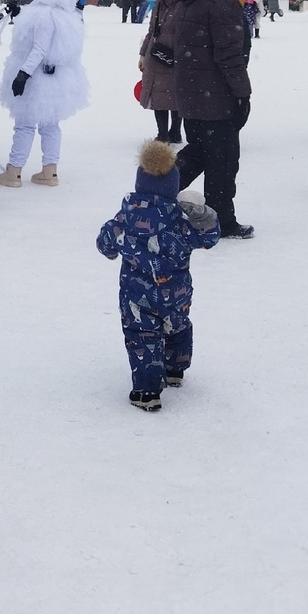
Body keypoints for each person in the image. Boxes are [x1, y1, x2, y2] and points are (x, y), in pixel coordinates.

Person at [96, 140, 220, 412]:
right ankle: (175, 369)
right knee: (178, 326)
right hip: (175, 294)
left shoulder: (124, 219)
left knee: (142, 338)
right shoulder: (179, 223)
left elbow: (104, 242)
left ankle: (146, 391)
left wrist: (111, 250)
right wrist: (201, 215)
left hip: (136, 296)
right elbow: (210, 238)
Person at [174, 0, 253, 239]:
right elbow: (229, 53)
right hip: (215, 95)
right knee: (222, 160)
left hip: (193, 92)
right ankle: (221, 219)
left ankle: (153, 192)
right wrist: (242, 93)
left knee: (200, 152)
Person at [0, 0, 89, 188]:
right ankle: (50, 171)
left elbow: (39, 49)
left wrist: (23, 74)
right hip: (54, 80)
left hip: (37, 78)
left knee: (25, 125)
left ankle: (14, 171)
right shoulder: (63, 13)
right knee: (50, 125)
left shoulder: (44, 15)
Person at [138, 0, 182, 143]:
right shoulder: (158, 3)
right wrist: (143, 54)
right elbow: (151, 31)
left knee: (175, 97)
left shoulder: (181, 5)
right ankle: (162, 133)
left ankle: (175, 132)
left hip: (174, 57)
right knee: (158, 96)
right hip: (156, 56)